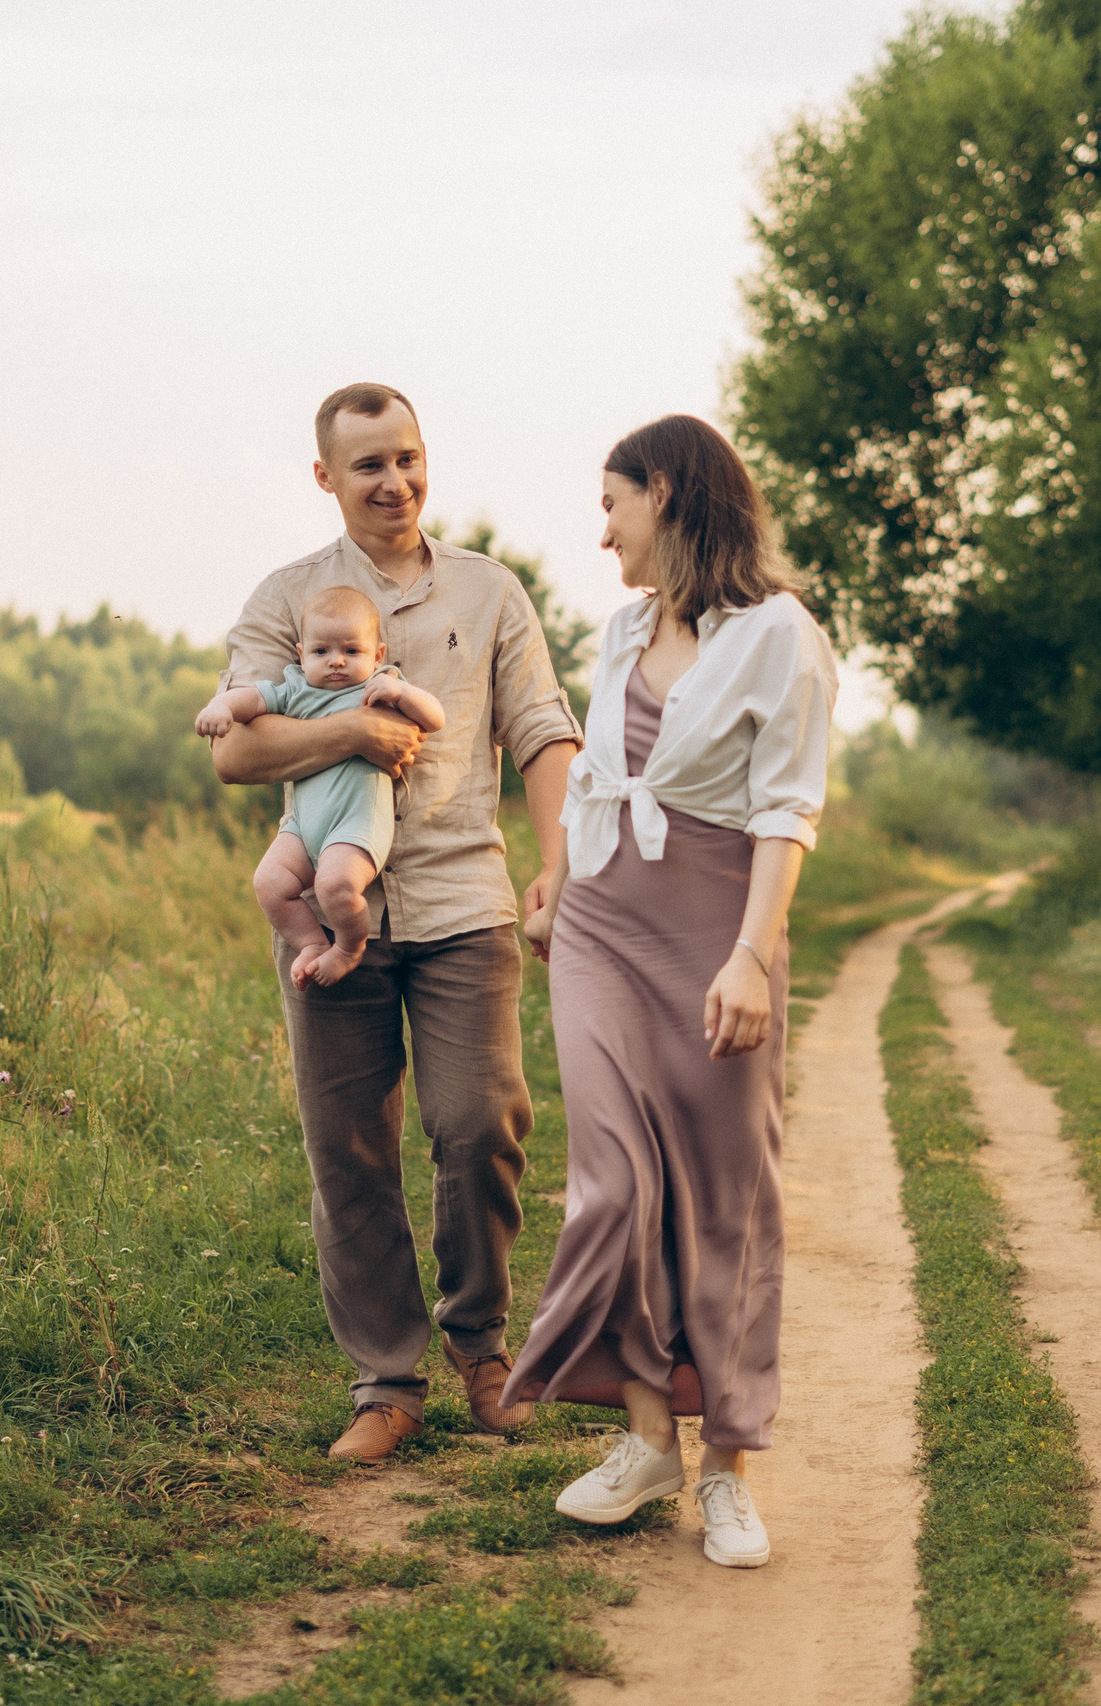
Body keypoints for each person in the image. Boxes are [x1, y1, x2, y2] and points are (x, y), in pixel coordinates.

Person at [210, 382, 582, 1464]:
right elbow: (235, 751)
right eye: (368, 463)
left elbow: (544, 732)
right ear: (327, 477)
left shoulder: (490, 590)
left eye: (408, 457)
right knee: (350, 1151)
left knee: (480, 1121)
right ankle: (386, 1382)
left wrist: (556, 864)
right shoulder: (288, 600)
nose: (395, 481)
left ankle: (484, 1348)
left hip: (465, 897)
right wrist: (354, 737)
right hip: (338, 909)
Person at [505, 413, 837, 1570]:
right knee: (611, 1180)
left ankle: (726, 1468)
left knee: (724, 1194)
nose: (601, 533)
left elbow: (785, 805)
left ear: (670, 496)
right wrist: (551, 883)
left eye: (613, 505)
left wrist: (750, 954)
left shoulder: (780, 634)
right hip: (598, 920)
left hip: (714, 928)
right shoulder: (615, 632)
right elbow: (598, 775)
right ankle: (646, 1434)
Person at [196, 585, 447, 988]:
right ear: (300, 654)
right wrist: (221, 707)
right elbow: (252, 698)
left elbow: (435, 718)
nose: (336, 662)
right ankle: (312, 944)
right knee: (270, 883)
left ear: (377, 655)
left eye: (351, 651)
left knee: (336, 885)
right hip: (302, 826)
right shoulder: (295, 689)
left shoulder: (379, 685)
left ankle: (349, 948)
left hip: (355, 823)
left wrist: (403, 692)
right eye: (321, 652)